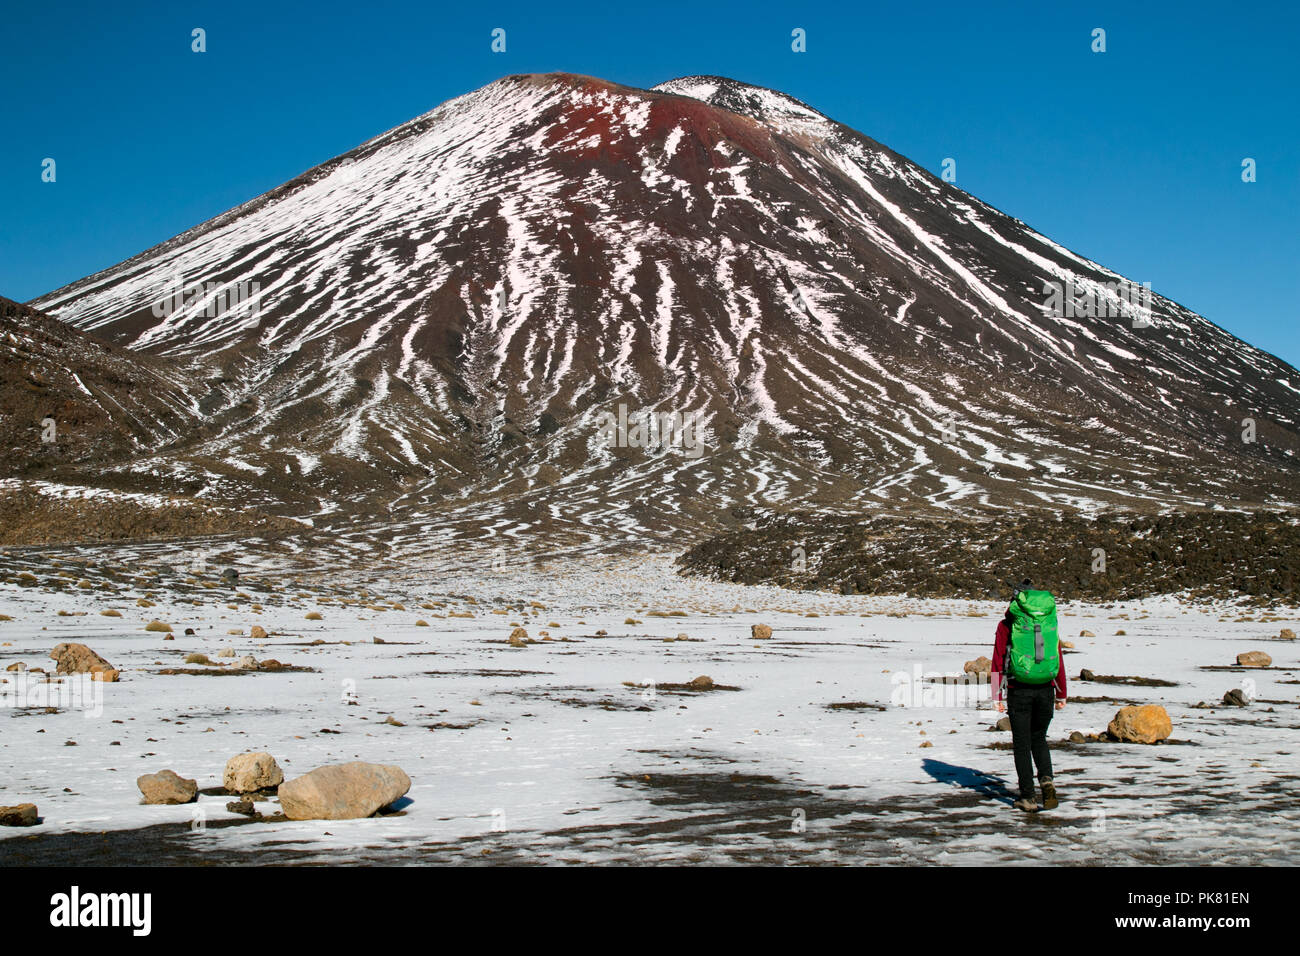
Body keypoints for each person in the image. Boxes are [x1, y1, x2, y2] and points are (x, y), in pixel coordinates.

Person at [992, 583, 1067, 812]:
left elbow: (998, 659)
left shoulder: (1007, 625)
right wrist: (1061, 692)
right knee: (1039, 738)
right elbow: (1057, 656)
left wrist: (997, 694)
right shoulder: (1047, 621)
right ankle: (1047, 779)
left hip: (1018, 689)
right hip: (1046, 688)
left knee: (1022, 744)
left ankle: (1028, 797)